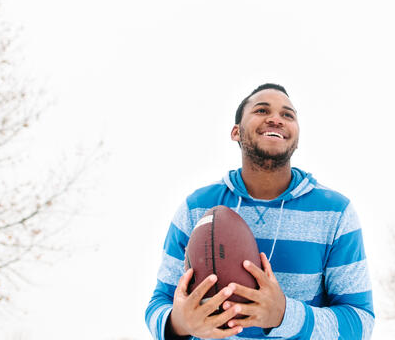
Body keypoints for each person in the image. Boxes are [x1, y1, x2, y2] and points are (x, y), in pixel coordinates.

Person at [145, 83, 374, 339]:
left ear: (296, 138)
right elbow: (159, 306)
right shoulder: (197, 208)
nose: (276, 119)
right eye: (262, 110)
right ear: (236, 132)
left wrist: (285, 315)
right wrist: (180, 323)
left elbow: (360, 323)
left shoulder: (336, 212)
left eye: (288, 115)